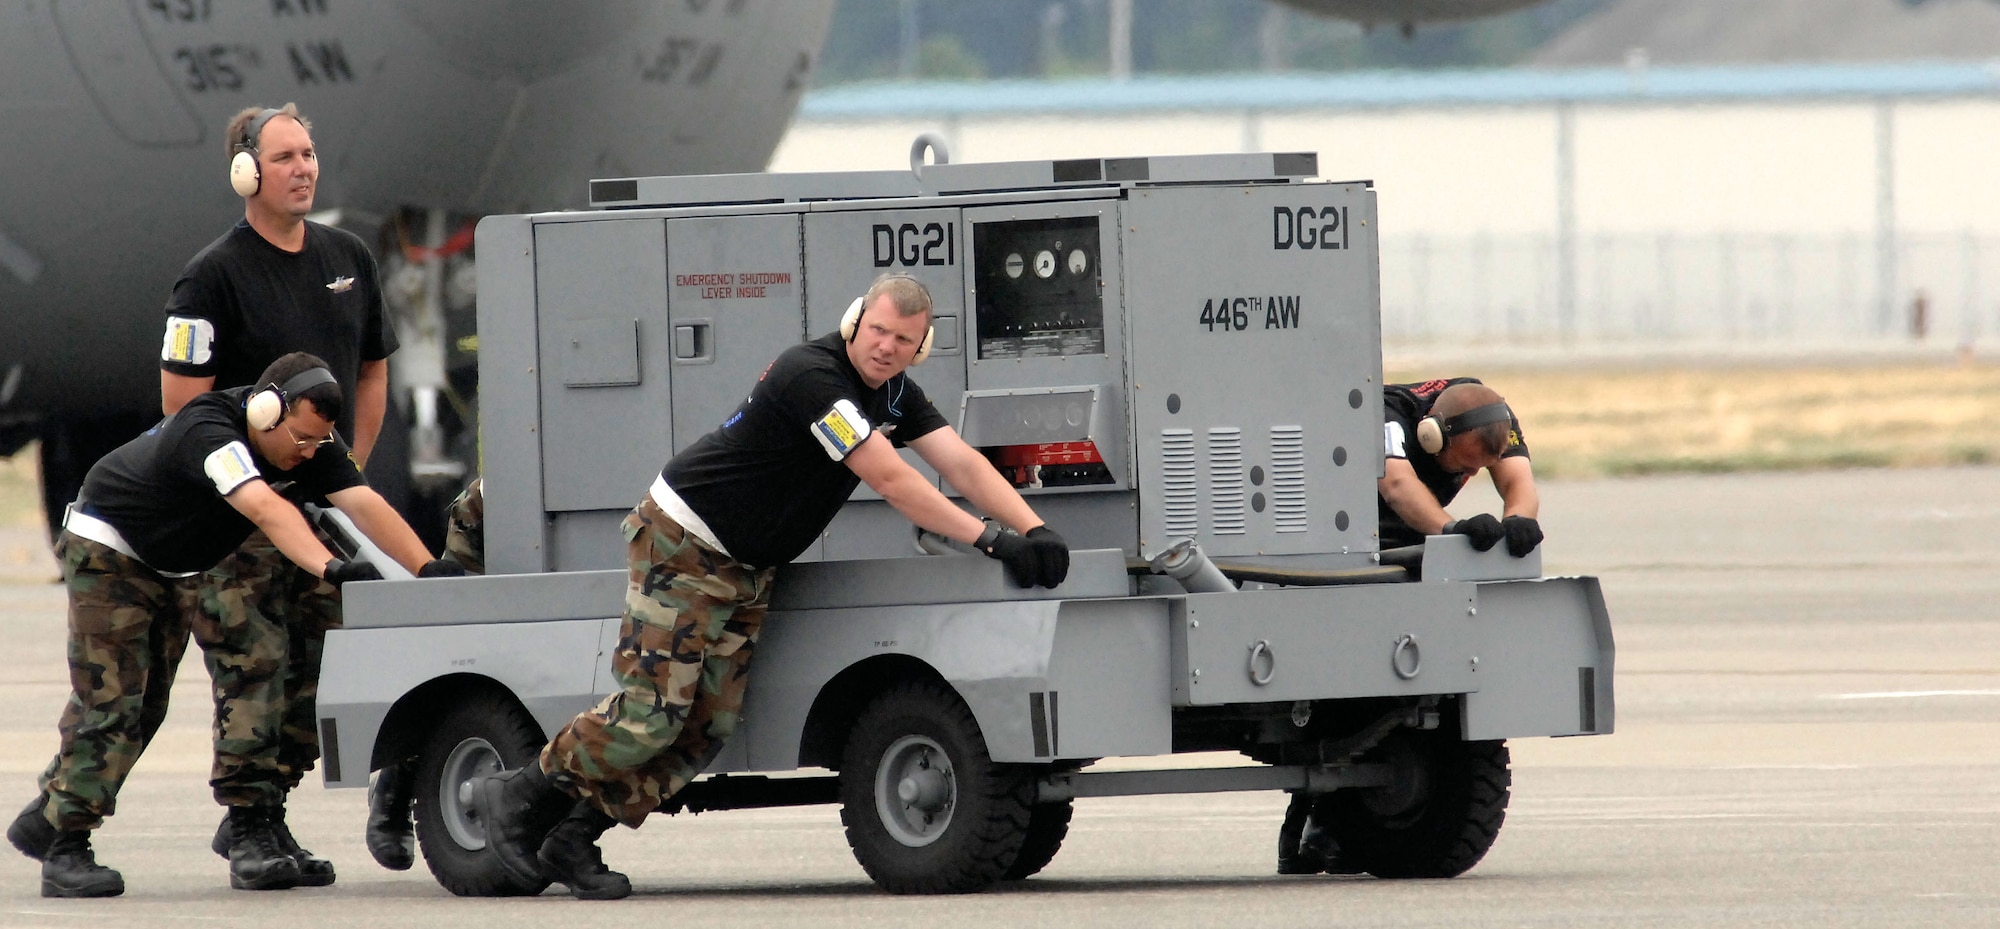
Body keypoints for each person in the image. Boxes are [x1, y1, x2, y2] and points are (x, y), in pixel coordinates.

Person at [474, 275, 1072, 900]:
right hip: (686, 541)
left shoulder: (895, 394)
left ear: (920, 348)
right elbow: (892, 479)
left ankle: (573, 836)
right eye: (878, 331)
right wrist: (991, 541)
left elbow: (961, 463)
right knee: (651, 713)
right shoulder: (812, 378)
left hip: (748, 565)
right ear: (854, 323)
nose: (886, 348)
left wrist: (1035, 527)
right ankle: (517, 795)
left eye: (903, 340)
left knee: (704, 724)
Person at [5, 354, 457, 897]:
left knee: (149, 705)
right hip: (111, 551)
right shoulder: (212, 434)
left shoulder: (307, 438)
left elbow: (361, 500)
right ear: (266, 411)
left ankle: (51, 814)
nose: (307, 454)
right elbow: (266, 509)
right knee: (113, 702)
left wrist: (428, 569)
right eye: (301, 440)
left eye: (318, 443)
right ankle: (65, 846)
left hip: (176, 562)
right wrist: (330, 567)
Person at [157, 103, 399, 885]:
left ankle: (266, 809)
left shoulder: (348, 256)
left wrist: (345, 469)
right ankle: (253, 821)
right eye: (286, 156)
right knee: (254, 664)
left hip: (318, 510)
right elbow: (180, 405)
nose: (304, 168)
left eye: (310, 153)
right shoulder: (211, 275)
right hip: (238, 515)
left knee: (322, 667)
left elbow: (370, 367)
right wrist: (251, 485)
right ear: (247, 172)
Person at [1276, 376, 1542, 875]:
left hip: (1409, 542)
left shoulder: (1490, 415)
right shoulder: (1383, 417)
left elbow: (1518, 483)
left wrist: (1518, 523)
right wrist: (1451, 529)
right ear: (1431, 437)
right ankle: (1307, 824)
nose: (1470, 475)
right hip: (1347, 540)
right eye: (1463, 466)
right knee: (1340, 689)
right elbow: (1397, 486)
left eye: (1478, 469)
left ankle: (1334, 819)